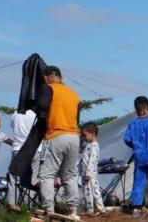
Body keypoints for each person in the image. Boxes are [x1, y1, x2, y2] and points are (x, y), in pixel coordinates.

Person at [36, 65, 81, 219]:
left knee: (46, 175)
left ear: (47, 77)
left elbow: (42, 105)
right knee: (70, 175)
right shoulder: (74, 94)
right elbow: (77, 117)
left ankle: (49, 209)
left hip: (56, 135)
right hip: (74, 136)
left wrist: (41, 111)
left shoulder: (49, 88)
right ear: (61, 77)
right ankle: (73, 211)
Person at [7, 109, 37, 210]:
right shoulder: (35, 115)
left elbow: (13, 126)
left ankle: (12, 203)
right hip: (33, 149)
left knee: (14, 177)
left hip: (17, 148)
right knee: (32, 179)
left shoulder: (15, 113)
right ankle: (28, 206)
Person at [80, 122, 106, 216]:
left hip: (89, 175)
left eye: (85, 135)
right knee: (88, 192)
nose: (83, 137)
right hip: (86, 174)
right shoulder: (89, 145)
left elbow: (92, 161)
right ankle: (91, 209)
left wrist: (88, 173)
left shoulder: (94, 146)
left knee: (93, 192)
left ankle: (100, 209)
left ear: (92, 133)